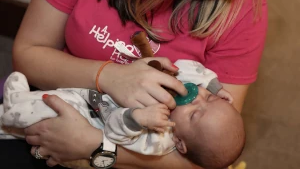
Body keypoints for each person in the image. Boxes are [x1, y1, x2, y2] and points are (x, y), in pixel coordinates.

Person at [3, 0, 290, 168]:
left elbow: (209, 154)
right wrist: (108, 76)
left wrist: (96, 144)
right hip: (58, 107)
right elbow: (27, 56)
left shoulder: (243, 10)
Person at [2, 62, 244, 169]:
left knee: (45, 111)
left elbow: (113, 131)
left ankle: (14, 107)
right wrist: (212, 85)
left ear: (180, 143)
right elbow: (186, 65)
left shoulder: (159, 139)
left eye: (194, 115)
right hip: (88, 99)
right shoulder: (180, 90)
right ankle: (12, 118)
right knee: (54, 100)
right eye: (209, 99)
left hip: (85, 123)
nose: (196, 99)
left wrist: (138, 119)